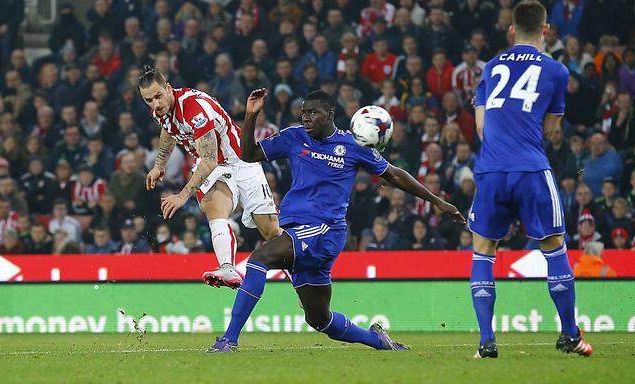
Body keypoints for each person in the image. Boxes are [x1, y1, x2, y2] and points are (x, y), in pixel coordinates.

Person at [209, 88, 464, 353]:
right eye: (303, 113)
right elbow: (248, 154)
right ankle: (378, 341)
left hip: (324, 230)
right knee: (319, 320)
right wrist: (250, 115)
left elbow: (395, 175)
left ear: (330, 114)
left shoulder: (353, 145)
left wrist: (437, 201)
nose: (306, 118)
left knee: (259, 259)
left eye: (312, 113)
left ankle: (229, 339)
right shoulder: (294, 137)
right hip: (297, 231)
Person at [470, 1, 592, 358]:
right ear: (546, 30)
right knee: (553, 245)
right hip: (530, 167)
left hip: (491, 169)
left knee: (483, 250)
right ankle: (570, 335)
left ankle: (486, 342)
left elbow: (481, 127)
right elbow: (551, 128)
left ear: (511, 30)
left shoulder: (491, 67)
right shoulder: (556, 70)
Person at [138, 66, 281, 289]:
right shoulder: (160, 109)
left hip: (241, 160)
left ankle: (303, 278)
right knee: (211, 203)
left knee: (270, 231)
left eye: (158, 96)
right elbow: (168, 129)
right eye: (149, 100)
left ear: (168, 88)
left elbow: (209, 159)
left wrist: (182, 196)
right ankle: (227, 267)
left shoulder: (194, 109)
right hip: (215, 167)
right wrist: (159, 165)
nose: (155, 104)